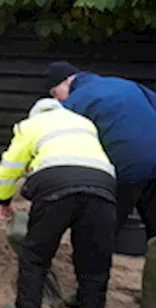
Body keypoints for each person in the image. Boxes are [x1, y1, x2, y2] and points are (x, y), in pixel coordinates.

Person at [0, 98, 116, 308]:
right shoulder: (84, 123)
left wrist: (4, 201)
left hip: (55, 187)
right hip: (103, 186)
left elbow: (10, 167)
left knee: (35, 253)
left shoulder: (29, 127)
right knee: (94, 255)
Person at [49, 61, 156, 241]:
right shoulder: (125, 84)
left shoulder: (74, 103)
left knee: (102, 227)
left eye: (54, 93)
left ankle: (93, 265)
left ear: (67, 81)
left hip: (126, 166)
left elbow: (66, 144)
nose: (56, 100)